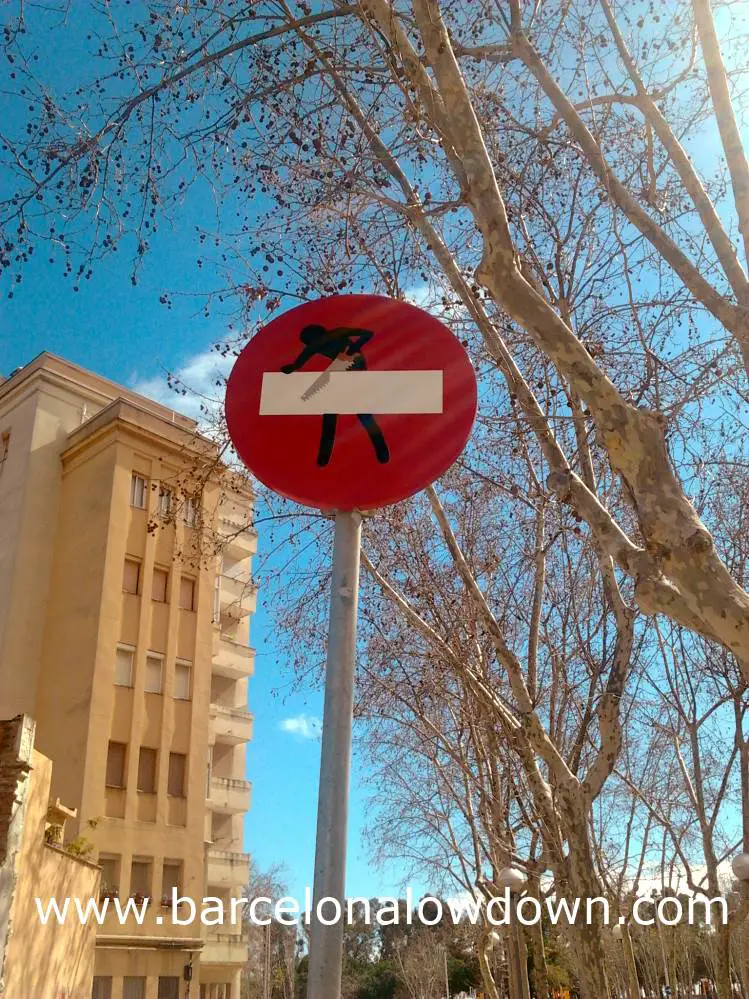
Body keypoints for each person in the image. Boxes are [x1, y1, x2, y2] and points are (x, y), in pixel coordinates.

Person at [281, 324, 390, 466]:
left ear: (317, 336)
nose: (315, 347)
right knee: (332, 414)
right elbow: (305, 355)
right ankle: (325, 456)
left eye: (313, 343)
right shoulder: (321, 343)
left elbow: (368, 334)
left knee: (361, 414)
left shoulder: (335, 333)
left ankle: (381, 450)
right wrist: (294, 367)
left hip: (354, 369)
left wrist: (353, 350)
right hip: (342, 370)